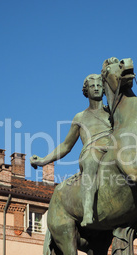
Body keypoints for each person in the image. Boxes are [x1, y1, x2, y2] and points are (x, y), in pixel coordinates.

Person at [31, 74, 112, 227]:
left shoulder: (111, 113)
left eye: (99, 85)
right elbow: (66, 146)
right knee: (91, 160)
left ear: (104, 89)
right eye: (92, 86)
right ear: (86, 91)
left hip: (113, 150)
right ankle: (88, 211)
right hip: (92, 151)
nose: (96, 88)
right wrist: (43, 160)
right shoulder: (80, 117)